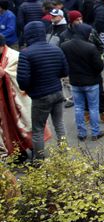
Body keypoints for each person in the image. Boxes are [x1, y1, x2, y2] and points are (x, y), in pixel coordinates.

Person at [17, 21, 68, 160]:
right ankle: (65, 155)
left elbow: (23, 82)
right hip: (58, 92)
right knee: (59, 123)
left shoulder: (26, 53)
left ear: (28, 34)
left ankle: (39, 162)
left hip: (40, 96)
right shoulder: (56, 49)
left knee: (38, 129)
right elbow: (64, 71)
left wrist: (30, 87)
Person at [61, 24, 104, 141]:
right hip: (91, 82)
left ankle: (82, 133)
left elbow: (63, 63)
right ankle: (95, 132)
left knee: (78, 108)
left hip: (75, 82)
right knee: (93, 108)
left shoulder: (65, 46)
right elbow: (99, 66)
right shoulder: (90, 47)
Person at [0, 35, 35, 159]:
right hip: (3, 102)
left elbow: (18, 74)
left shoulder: (15, 56)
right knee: (8, 128)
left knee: (26, 123)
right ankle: (18, 153)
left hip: (17, 97)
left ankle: (34, 149)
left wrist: (4, 73)